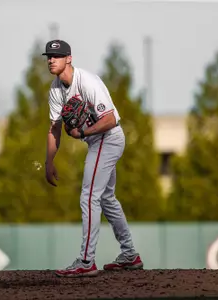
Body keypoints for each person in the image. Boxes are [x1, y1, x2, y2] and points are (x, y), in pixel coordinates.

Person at [42, 39, 144, 277]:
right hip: (97, 141)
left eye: (56, 56)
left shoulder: (87, 81)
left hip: (108, 137)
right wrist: (49, 162)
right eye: (48, 56)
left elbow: (109, 119)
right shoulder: (56, 90)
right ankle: (130, 254)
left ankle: (86, 261)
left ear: (69, 58)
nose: (50, 60)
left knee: (89, 196)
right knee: (106, 198)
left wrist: (83, 133)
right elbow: (54, 128)